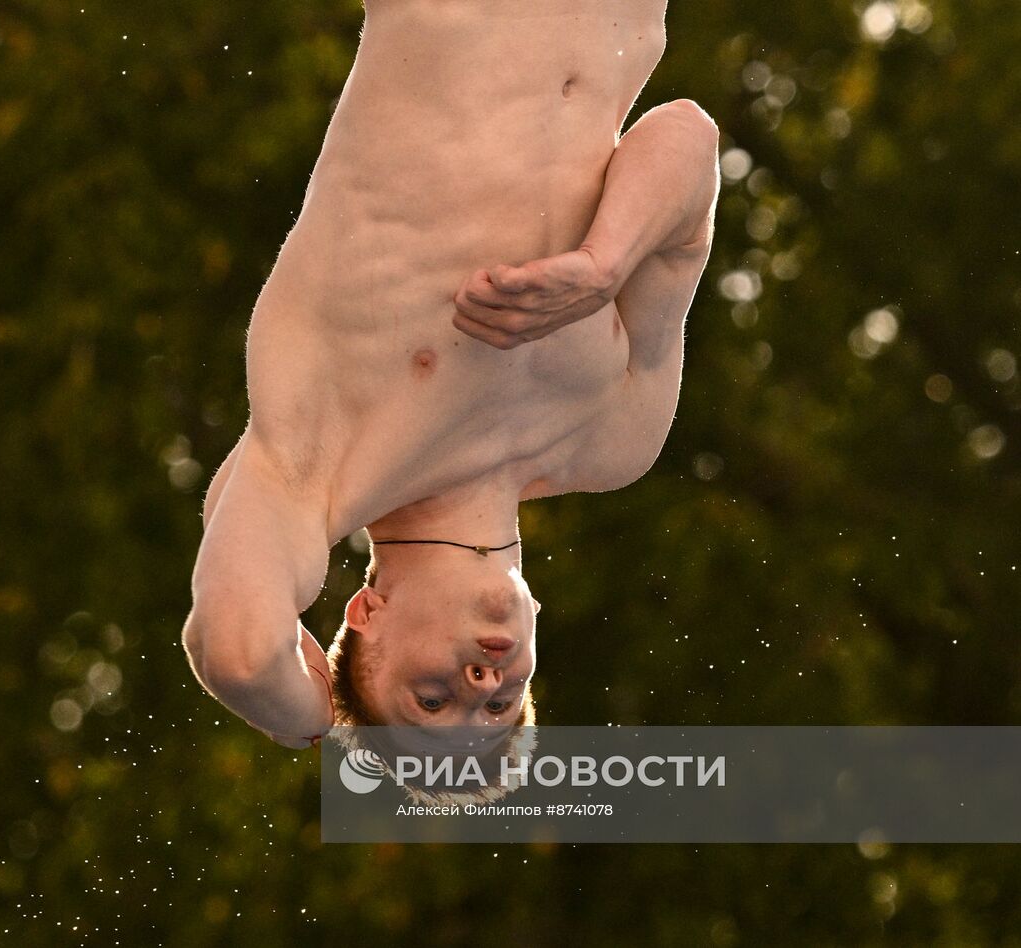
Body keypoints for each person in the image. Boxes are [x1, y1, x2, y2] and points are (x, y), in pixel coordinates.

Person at [181, 0, 720, 749]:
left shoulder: (322, 468)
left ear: (366, 614)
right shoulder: (616, 442)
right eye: (503, 710)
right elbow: (689, 142)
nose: (480, 686)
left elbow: (237, 652)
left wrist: (315, 724)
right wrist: (605, 266)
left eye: (426, 701)